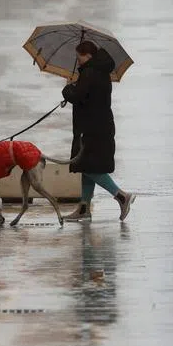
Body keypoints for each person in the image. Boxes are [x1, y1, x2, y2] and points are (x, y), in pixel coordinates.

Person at [61, 40, 135, 222]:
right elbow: (87, 96)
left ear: (88, 56)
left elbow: (78, 96)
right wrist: (76, 85)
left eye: (79, 58)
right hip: (100, 126)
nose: (78, 62)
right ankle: (84, 208)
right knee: (86, 166)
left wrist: (67, 89)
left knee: (90, 167)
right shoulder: (99, 71)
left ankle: (121, 196)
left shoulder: (90, 72)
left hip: (92, 128)